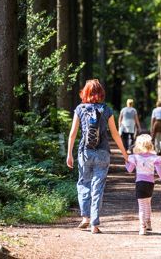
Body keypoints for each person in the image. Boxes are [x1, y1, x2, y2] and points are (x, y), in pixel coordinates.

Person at [66, 79, 128, 234]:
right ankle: (94, 224)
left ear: (85, 93)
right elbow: (115, 134)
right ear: (101, 93)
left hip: (85, 152)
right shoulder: (106, 109)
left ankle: (85, 217)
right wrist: (125, 154)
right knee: (97, 187)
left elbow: (73, 134)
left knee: (83, 184)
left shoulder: (80, 109)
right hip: (102, 153)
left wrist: (69, 154)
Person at [125, 134, 161, 235]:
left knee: (142, 206)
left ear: (138, 145)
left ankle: (142, 227)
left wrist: (126, 162)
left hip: (140, 183)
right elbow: (159, 171)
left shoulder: (135, 157)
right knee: (148, 203)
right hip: (150, 184)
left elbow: (129, 170)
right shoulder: (154, 158)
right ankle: (148, 223)